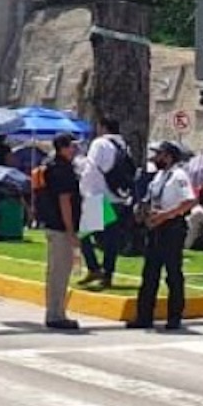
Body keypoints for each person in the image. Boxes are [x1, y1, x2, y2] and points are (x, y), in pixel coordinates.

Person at [130, 141, 196, 331]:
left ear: (168, 156)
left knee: (173, 273)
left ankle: (174, 317)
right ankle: (144, 316)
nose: (155, 158)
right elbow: (150, 197)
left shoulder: (179, 175)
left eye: (159, 154)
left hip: (172, 228)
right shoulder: (158, 176)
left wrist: (165, 215)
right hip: (155, 228)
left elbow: (189, 201)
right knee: (150, 273)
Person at [78, 118, 134, 290]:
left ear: (102, 127)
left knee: (82, 235)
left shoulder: (100, 143)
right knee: (111, 240)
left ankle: (94, 268)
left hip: (99, 196)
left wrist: (84, 191)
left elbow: (91, 168)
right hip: (117, 196)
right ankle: (108, 274)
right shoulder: (124, 146)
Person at [36, 132, 83, 331]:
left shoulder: (53, 166)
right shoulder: (62, 170)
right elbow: (65, 201)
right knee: (60, 272)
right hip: (60, 227)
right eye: (72, 146)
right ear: (63, 147)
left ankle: (55, 311)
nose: (75, 149)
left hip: (53, 225)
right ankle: (56, 314)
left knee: (57, 271)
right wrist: (71, 230)